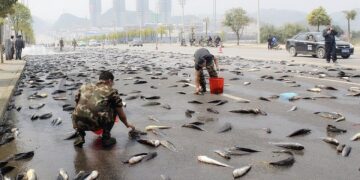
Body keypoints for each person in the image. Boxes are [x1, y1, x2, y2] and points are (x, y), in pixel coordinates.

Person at [72, 71, 135, 148]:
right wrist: (126, 124)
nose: (112, 85)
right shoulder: (112, 91)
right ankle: (106, 138)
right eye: (112, 82)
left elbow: (77, 102)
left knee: (80, 108)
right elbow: (121, 114)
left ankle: (80, 135)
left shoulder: (84, 86)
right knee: (114, 107)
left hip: (78, 122)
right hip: (95, 124)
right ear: (110, 81)